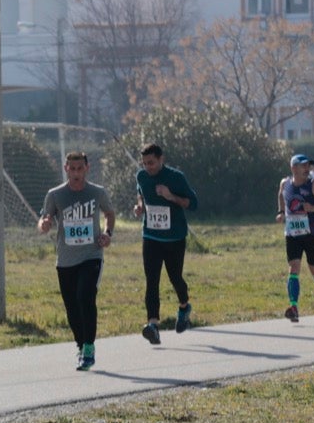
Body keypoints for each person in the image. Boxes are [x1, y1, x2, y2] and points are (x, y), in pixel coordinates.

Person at [38, 151, 115, 371]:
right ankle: (81, 346)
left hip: (91, 255)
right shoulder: (55, 195)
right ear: (66, 169)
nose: (76, 173)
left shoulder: (97, 192)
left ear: (87, 168)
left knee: (86, 297)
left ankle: (89, 347)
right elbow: (45, 217)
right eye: (72, 169)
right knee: (72, 307)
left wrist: (108, 234)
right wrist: (44, 224)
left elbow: (110, 213)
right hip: (65, 259)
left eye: (80, 168)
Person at [130, 143, 199, 345]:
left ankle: (184, 307)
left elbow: (193, 203)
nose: (148, 167)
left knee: (175, 277)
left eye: (151, 163)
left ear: (161, 159)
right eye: (145, 163)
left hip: (174, 237)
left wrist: (170, 196)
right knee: (151, 280)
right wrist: (140, 207)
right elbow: (140, 192)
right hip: (151, 236)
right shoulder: (141, 176)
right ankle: (153, 325)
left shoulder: (176, 177)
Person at [276, 152, 314, 323]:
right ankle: (293, 307)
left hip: (311, 234)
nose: (307, 169)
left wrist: (313, 208)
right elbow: (281, 194)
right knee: (293, 267)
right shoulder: (285, 183)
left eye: (308, 166)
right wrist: (281, 212)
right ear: (293, 167)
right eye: (303, 165)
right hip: (292, 234)